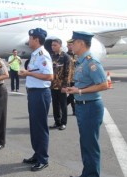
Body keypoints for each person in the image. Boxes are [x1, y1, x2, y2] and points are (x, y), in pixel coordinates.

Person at [65, 31, 108, 177]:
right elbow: (82, 84)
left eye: (74, 42)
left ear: (81, 43)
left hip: (90, 107)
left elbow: (103, 85)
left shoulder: (91, 62)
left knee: (90, 145)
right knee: (86, 144)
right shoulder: (81, 61)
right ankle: (87, 174)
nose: (71, 45)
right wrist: (74, 90)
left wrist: (80, 91)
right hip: (82, 106)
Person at [19, 28, 53, 172]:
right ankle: (37, 154)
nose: (29, 40)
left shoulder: (43, 55)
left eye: (31, 38)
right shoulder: (35, 54)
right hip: (34, 93)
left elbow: (49, 76)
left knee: (40, 127)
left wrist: (27, 73)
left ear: (37, 39)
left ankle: (43, 159)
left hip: (40, 93)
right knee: (34, 126)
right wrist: (28, 74)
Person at [49, 38, 70, 130]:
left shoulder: (65, 57)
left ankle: (63, 122)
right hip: (53, 85)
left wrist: (65, 86)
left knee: (63, 105)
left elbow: (68, 72)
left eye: (55, 45)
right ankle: (57, 122)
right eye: (52, 45)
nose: (53, 47)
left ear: (60, 45)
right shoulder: (51, 56)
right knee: (55, 105)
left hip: (62, 86)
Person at [66, 40, 77, 115]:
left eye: (71, 45)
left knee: (73, 94)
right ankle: (74, 110)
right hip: (69, 78)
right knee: (72, 94)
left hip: (77, 78)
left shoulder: (77, 55)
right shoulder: (65, 55)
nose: (70, 46)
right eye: (69, 45)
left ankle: (63, 105)